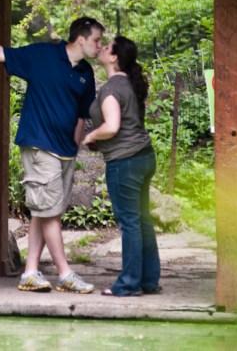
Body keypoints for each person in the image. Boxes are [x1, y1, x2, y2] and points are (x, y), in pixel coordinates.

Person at [0, 17, 105, 294]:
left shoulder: (86, 72)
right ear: (80, 39)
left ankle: (30, 272)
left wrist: (74, 145)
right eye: (97, 40)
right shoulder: (42, 55)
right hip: (39, 146)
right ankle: (65, 273)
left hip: (66, 152)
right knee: (51, 214)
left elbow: (82, 114)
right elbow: (2, 53)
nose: (100, 46)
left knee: (43, 211)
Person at [82, 35, 160, 297]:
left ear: (114, 57)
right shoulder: (130, 84)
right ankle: (148, 280)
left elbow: (113, 126)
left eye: (106, 47)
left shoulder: (111, 89)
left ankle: (128, 284)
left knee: (129, 223)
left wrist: (92, 136)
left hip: (124, 163)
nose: (101, 48)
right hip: (144, 157)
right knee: (142, 220)